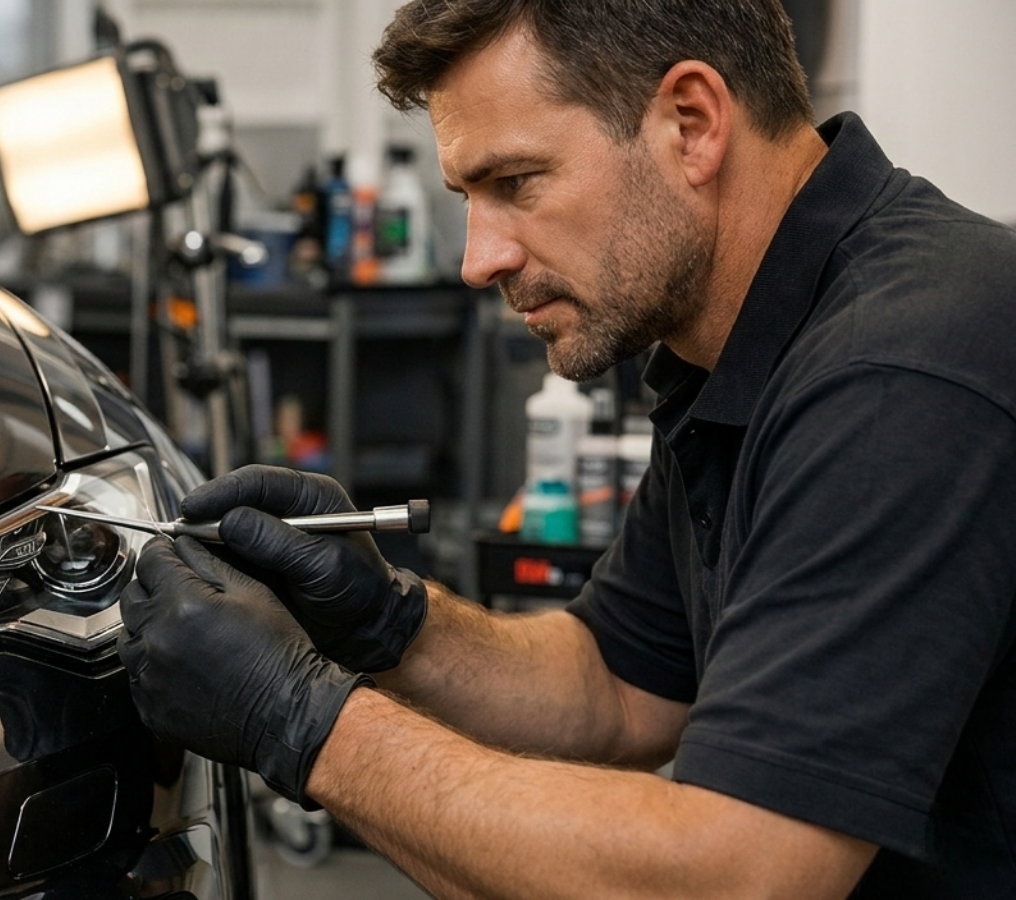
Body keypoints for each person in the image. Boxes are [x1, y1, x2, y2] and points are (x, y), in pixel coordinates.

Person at [117, 0, 1016, 896]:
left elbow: (738, 877)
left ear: (691, 124)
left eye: (517, 182)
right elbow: (620, 684)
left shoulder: (897, 369)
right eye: (469, 198)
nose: (480, 259)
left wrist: (302, 719)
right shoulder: (740, 340)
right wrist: (388, 623)